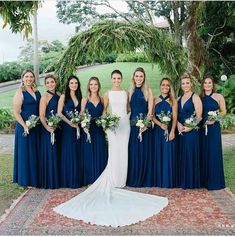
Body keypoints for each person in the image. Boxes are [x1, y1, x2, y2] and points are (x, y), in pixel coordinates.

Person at [53, 70, 168, 227]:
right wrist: (106, 123)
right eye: (114, 78)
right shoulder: (107, 94)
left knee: (124, 152)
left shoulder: (127, 93)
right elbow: (103, 111)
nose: (116, 80)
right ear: (111, 79)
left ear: (122, 79)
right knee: (114, 152)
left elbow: (128, 109)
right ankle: (113, 178)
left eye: (119, 78)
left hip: (125, 125)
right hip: (112, 126)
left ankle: (123, 178)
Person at [13, 69, 41, 187]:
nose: (29, 79)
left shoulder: (36, 91)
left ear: (34, 78)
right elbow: (16, 112)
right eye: (26, 77)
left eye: (31, 77)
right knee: (25, 153)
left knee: (35, 152)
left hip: (36, 126)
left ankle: (35, 178)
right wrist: (25, 126)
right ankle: (25, 180)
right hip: (25, 127)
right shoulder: (20, 92)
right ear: (22, 78)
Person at [127, 67, 153, 187]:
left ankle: (144, 178)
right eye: (136, 76)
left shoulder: (148, 91)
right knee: (133, 152)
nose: (138, 78)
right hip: (132, 126)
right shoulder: (129, 91)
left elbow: (150, 111)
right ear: (133, 77)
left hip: (145, 127)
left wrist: (146, 125)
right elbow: (127, 109)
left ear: (144, 78)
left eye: (141, 76)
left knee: (144, 152)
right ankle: (133, 178)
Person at [200, 76, 226, 190]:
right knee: (204, 152)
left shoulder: (218, 96)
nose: (207, 85)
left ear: (213, 84)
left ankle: (215, 181)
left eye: (209, 83)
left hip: (214, 128)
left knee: (213, 152)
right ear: (203, 85)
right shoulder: (200, 97)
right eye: (205, 83)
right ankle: (203, 181)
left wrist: (214, 118)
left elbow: (224, 111)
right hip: (202, 129)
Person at [80, 77, 108, 185]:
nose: (93, 86)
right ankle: (90, 179)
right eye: (91, 84)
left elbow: (104, 113)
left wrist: (104, 122)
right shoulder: (84, 99)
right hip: (88, 129)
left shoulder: (102, 99)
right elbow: (82, 114)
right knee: (89, 153)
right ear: (89, 86)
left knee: (101, 151)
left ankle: (101, 178)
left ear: (98, 86)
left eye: (95, 84)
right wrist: (84, 126)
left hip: (99, 129)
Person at [57, 75, 83, 188]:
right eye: (72, 83)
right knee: (68, 152)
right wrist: (70, 123)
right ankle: (67, 180)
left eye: (76, 83)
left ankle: (77, 179)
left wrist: (78, 121)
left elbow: (82, 111)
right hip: (67, 128)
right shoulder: (63, 96)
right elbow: (59, 113)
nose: (74, 85)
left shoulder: (79, 96)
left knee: (77, 152)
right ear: (68, 85)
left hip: (77, 127)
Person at [177, 73, 202, 189]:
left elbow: (199, 116)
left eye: (187, 83)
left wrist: (190, 127)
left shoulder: (195, 97)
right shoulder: (179, 98)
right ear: (181, 85)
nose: (185, 85)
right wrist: (177, 124)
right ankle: (183, 181)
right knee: (182, 154)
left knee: (190, 154)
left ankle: (191, 181)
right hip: (181, 131)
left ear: (191, 84)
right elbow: (176, 115)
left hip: (191, 132)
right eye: (183, 83)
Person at [152, 77, 178, 188]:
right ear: (160, 86)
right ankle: (159, 180)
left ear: (170, 87)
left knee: (168, 154)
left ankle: (168, 181)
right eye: (163, 85)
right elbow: (152, 116)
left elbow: (175, 117)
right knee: (158, 153)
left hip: (169, 131)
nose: (165, 87)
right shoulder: (155, 100)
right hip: (157, 131)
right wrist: (159, 124)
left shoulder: (173, 101)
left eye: (167, 85)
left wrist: (172, 131)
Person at [39, 74, 60, 189]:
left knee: (57, 152)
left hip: (58, 128)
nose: (50, 84)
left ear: (55, 83)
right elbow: (41, 115)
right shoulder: (44, 97)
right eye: (48, 83)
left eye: (52, 82)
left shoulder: (59, 95)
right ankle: (50, 181)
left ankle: (59, 179)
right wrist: (47, 127)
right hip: (48, 128)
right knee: (50, 152)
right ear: (45, 85)